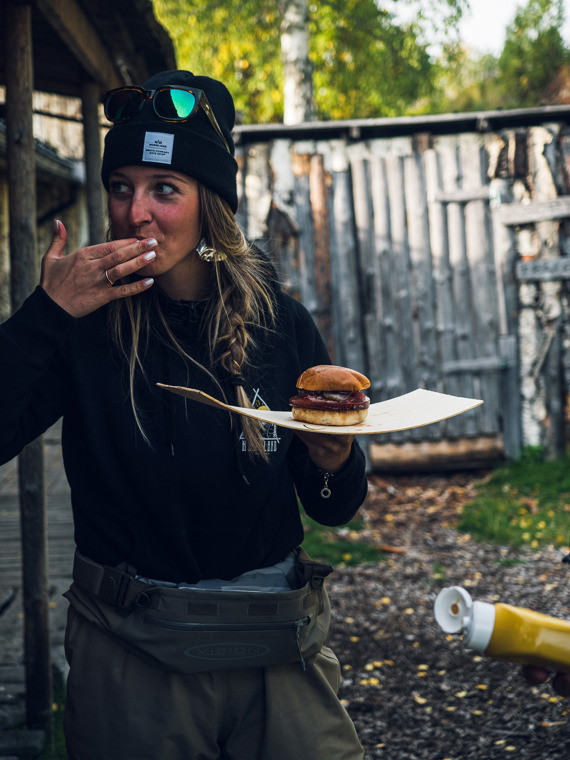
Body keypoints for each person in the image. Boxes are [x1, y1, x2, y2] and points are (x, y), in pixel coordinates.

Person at [0, 70, 368, 759]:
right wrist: (41, 317)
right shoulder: (82, 327)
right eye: (120, 187)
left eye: (164, 190)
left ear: (212, 205)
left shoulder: (281, 326)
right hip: (132, 653)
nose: (135, 211)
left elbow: (336, 507)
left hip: (276, 650)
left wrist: (334, 459)